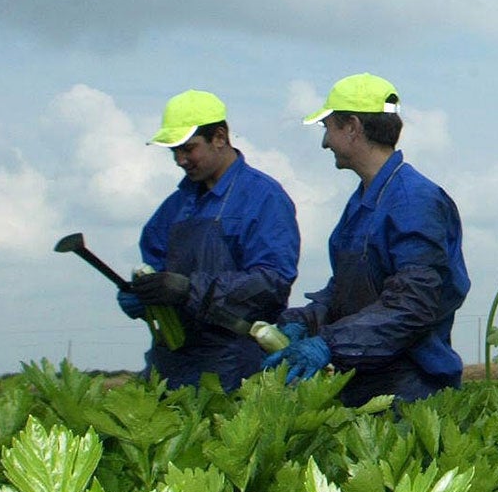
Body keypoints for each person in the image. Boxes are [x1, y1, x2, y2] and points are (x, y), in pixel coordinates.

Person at [262, 74, 471, 406]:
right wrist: (305, 320)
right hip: (363, 381)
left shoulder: (414, 201)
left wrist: (329, 344)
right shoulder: (364, 199)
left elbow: (411, 306)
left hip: (411, 388)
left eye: (327, 128)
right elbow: (349, 290)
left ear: (352, 127)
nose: (324, 142)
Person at [128, 89, 300, 391]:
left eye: (188, 149)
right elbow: (153, 264)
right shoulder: (173, 207)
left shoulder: (263, 197)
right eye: (174, 151)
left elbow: (273, 281)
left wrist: (188, 289)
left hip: (236, 363)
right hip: (171, 364)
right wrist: (139, 295)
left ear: (219, 137)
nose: (180, 160)